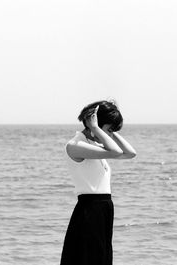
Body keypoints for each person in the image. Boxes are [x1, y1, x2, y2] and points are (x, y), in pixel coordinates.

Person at [60, 100, 137, 265]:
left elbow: (130, 153)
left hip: (103, 210)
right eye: (109, 129)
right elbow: (116, 151)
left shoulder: (94, 145)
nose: (109, 135)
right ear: (93, 123)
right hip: (89, 210)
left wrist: (109, 131)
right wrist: (95, 128)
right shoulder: (75, 145)